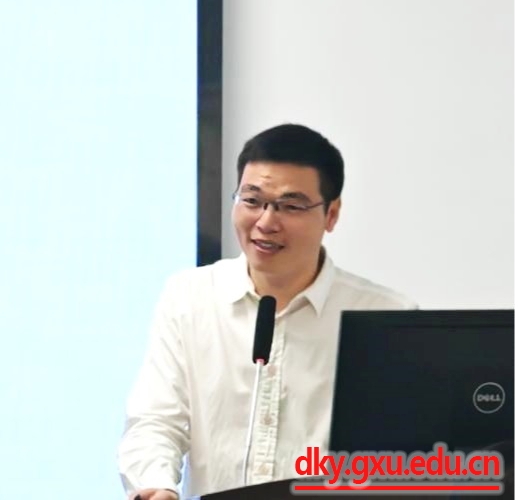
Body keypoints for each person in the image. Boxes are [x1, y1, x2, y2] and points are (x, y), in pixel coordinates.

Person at [118, 124, 416, 500]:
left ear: (332, 214)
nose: (266, 222)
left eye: (291, 206)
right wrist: (157, 485)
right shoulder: (190, 297)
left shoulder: (386, 317)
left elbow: (403, 454)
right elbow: (156, 421)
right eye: (252, 200)